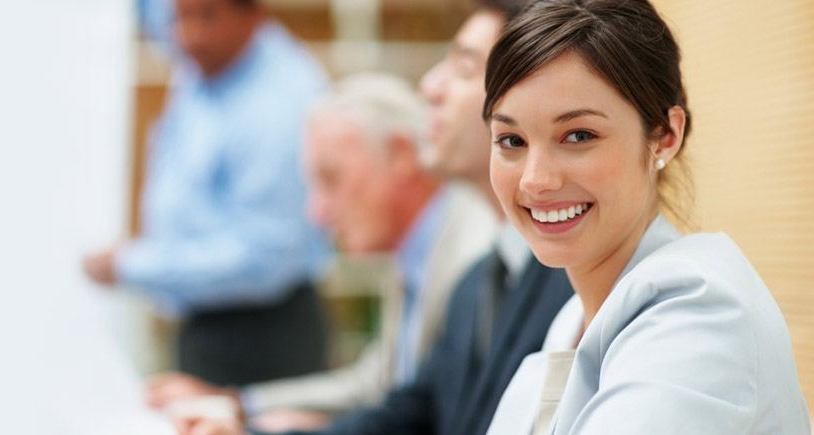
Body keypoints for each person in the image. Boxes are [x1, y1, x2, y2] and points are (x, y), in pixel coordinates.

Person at [171, 1, 576, 434]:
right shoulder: (481, 272)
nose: (430, 87)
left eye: (463, 69)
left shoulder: (510, 262)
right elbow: (409, 405)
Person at [479, 0, 811, 433]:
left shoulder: (699, 313)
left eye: (579, 135)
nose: (535, 180)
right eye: (511, 140)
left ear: (666, 136)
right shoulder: (573, 319)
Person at [147, 73, 499, 433]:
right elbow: (374, 386)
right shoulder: (419, 252)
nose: (316, 212)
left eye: (331, 178)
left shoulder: (472, 258)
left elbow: (420, 415)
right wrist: (237, 404)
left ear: (399, 153)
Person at [83, 0, 329, 386]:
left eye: (207, 17)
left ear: (254, 15)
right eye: (178, 17)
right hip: (207, 318)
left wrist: (132, 265)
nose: (188, 35)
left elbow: (263, 257)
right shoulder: (206, 48)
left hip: (258, 334)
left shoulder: (279, 108)